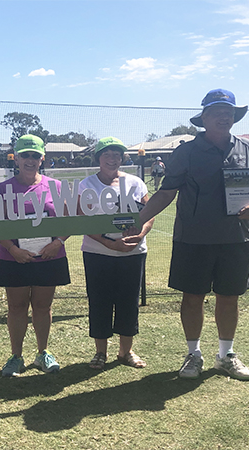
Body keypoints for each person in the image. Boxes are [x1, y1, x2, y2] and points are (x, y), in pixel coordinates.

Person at [136, 89, 249, 381]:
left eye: (229, 112)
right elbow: (166, 192)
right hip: (193, 238)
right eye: (217, 112)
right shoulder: (186, 152)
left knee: (229, 297)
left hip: (236, 237)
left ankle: (226, 356)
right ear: (204, 118)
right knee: (192, 297)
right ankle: (193, 355)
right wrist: (138, 222)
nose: (224, 117)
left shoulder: (248, 148)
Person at [0, 135, 71, 377]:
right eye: (24, 155)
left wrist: (58, 242)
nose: (30, 160)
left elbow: (70, 220)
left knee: (43, 306)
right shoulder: (2, 189)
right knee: (16, 307)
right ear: (15, 158)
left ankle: (42, 353)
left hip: (48, 257)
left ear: (42, 158)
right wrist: (13, 249)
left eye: (35, 155)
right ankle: (16, 356)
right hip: (12, 257)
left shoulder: (57, 187)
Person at [78, 137, 154, 371]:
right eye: (107, 154)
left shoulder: (135, 182)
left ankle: (126, 351)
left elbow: (149, 213)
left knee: (129, 302)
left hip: (133, 252)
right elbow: (81, 220)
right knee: (99, 301)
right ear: (98, 158)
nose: (112, 159)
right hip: (97, 253)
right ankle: (100, 352)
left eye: (117, 154)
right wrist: (109, 244)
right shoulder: (86, 184)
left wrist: (140, 235)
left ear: (122, 158)